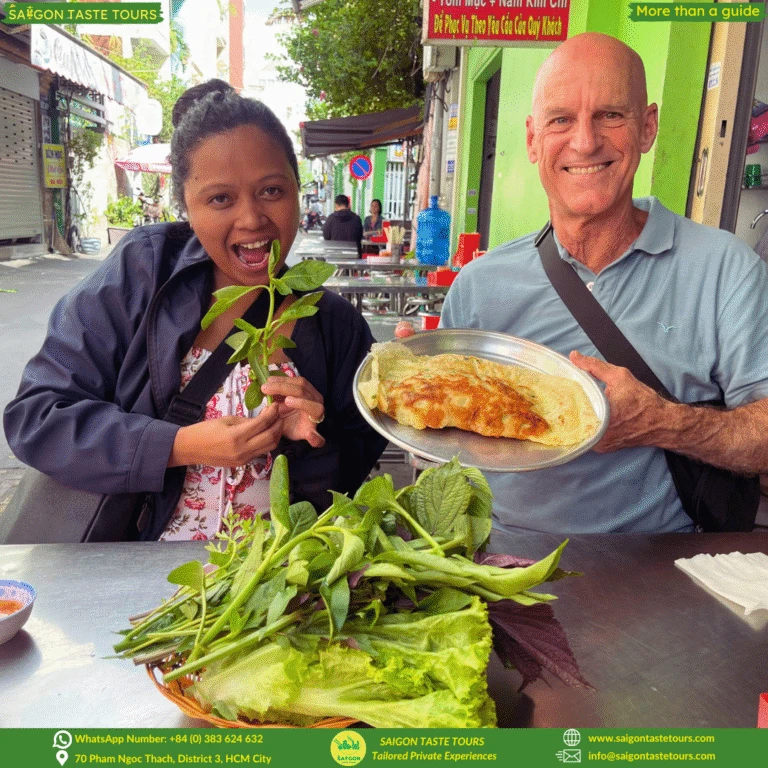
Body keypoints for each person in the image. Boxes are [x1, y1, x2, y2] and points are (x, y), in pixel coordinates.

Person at [4, 80, 387, 541]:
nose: (252, 219)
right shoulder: (143, 273)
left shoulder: (337, 326)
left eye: (271, 190)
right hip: (137, 573)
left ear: (297, 190)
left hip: (272, 578)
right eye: (220, 198)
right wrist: (177, 445)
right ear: (185, 205)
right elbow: (37, 418)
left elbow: (348, 478)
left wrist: (315, 436)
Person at [440, 33, 768, 535]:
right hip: (502, 565)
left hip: (661, 571)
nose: (585, 142)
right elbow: (451, 450)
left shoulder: (725, 269)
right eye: (560, 119)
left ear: (648, 127)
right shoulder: (478, 286)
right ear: (532, 139)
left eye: (610, 115)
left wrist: (665, 423)